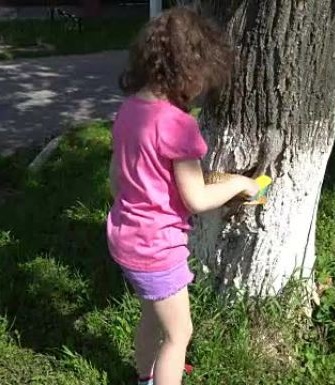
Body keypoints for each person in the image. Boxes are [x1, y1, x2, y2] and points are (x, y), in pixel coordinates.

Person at [107, 7, 259, 385]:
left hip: (125, 237)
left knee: (151, 316)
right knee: (179, 335)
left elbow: (116, 178)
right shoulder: (178, 125)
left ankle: (145, 377)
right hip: (158, 249)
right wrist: (241, 184)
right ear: (189, 71)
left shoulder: (128, 111)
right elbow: (197, 199)